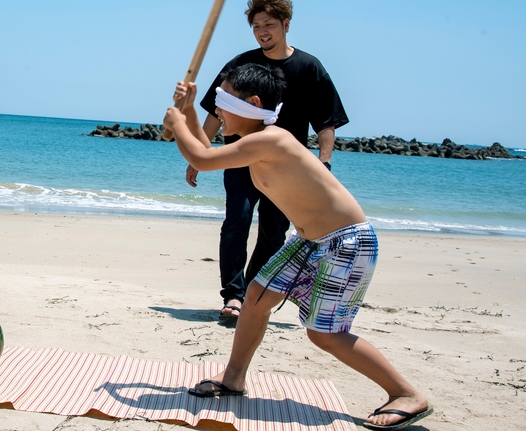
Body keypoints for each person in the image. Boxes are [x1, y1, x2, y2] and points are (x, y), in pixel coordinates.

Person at [164, 63, 432, 431]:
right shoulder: (254, 141)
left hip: (346, 242)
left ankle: (405, 393)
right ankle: (234, 380)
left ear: (252, 103)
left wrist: (176, 121)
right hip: (309, 240)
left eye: (222, 101)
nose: (218, 110)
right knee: (255, 297)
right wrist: (191, 111)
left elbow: (201, 158)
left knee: (324, 333)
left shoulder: (273, 140)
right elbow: (203, 146)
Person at [186, 0, 349, 321]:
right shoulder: (242, 65)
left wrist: (325, 162)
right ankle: (233, 295)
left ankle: (252, 294)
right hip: (240, 158)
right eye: (257, 25)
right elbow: (216, 113)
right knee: (237, 222)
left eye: (269, 24)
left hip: (285, 169)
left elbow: (326, 121)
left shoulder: (309, 67)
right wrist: (200, 153)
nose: (262, 31)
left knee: (274, 232)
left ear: (286, 25)